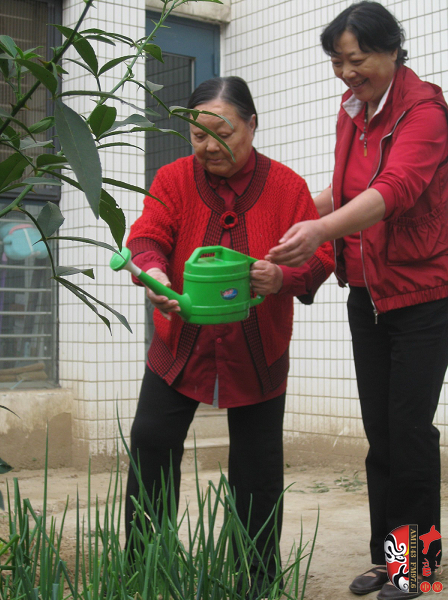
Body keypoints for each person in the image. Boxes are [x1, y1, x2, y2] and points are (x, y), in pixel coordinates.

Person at [124, 76, 334, 596]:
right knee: (151, 445)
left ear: (252, 125)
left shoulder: (287, 188)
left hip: (258, 352)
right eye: (198, 136)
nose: (210, 147)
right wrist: (156, 275)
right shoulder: (173, 179)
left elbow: (321, 256)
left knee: (257, 468)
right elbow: (147, 235)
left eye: (223, 132)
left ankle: (255, 580)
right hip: (179, 347)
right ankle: (144, 570)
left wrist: (281, 277)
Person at [267, 3, 448, 599]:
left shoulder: (425, 111)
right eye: (337, 62)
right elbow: (342, 191)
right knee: (381, 433)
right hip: (367, 294)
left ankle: (417, 568)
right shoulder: (356, 112)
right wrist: (289, 219)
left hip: (424, 295)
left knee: (409, 429)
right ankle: (388, 559)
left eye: (356, 58)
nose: (346, 72)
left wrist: (320, 232)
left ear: (393, 48)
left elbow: (393, 191)